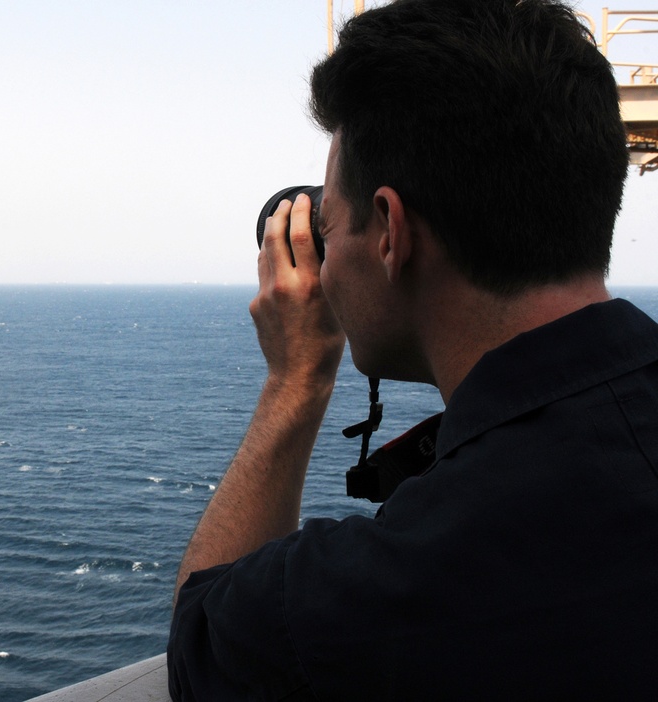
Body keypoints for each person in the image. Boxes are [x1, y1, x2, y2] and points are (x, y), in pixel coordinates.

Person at [167, 0, 658, 698]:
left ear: (391, 231)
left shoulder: (394, 585)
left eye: (329, 224)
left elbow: (202, 651)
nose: (326, 259)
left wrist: (294, 381)